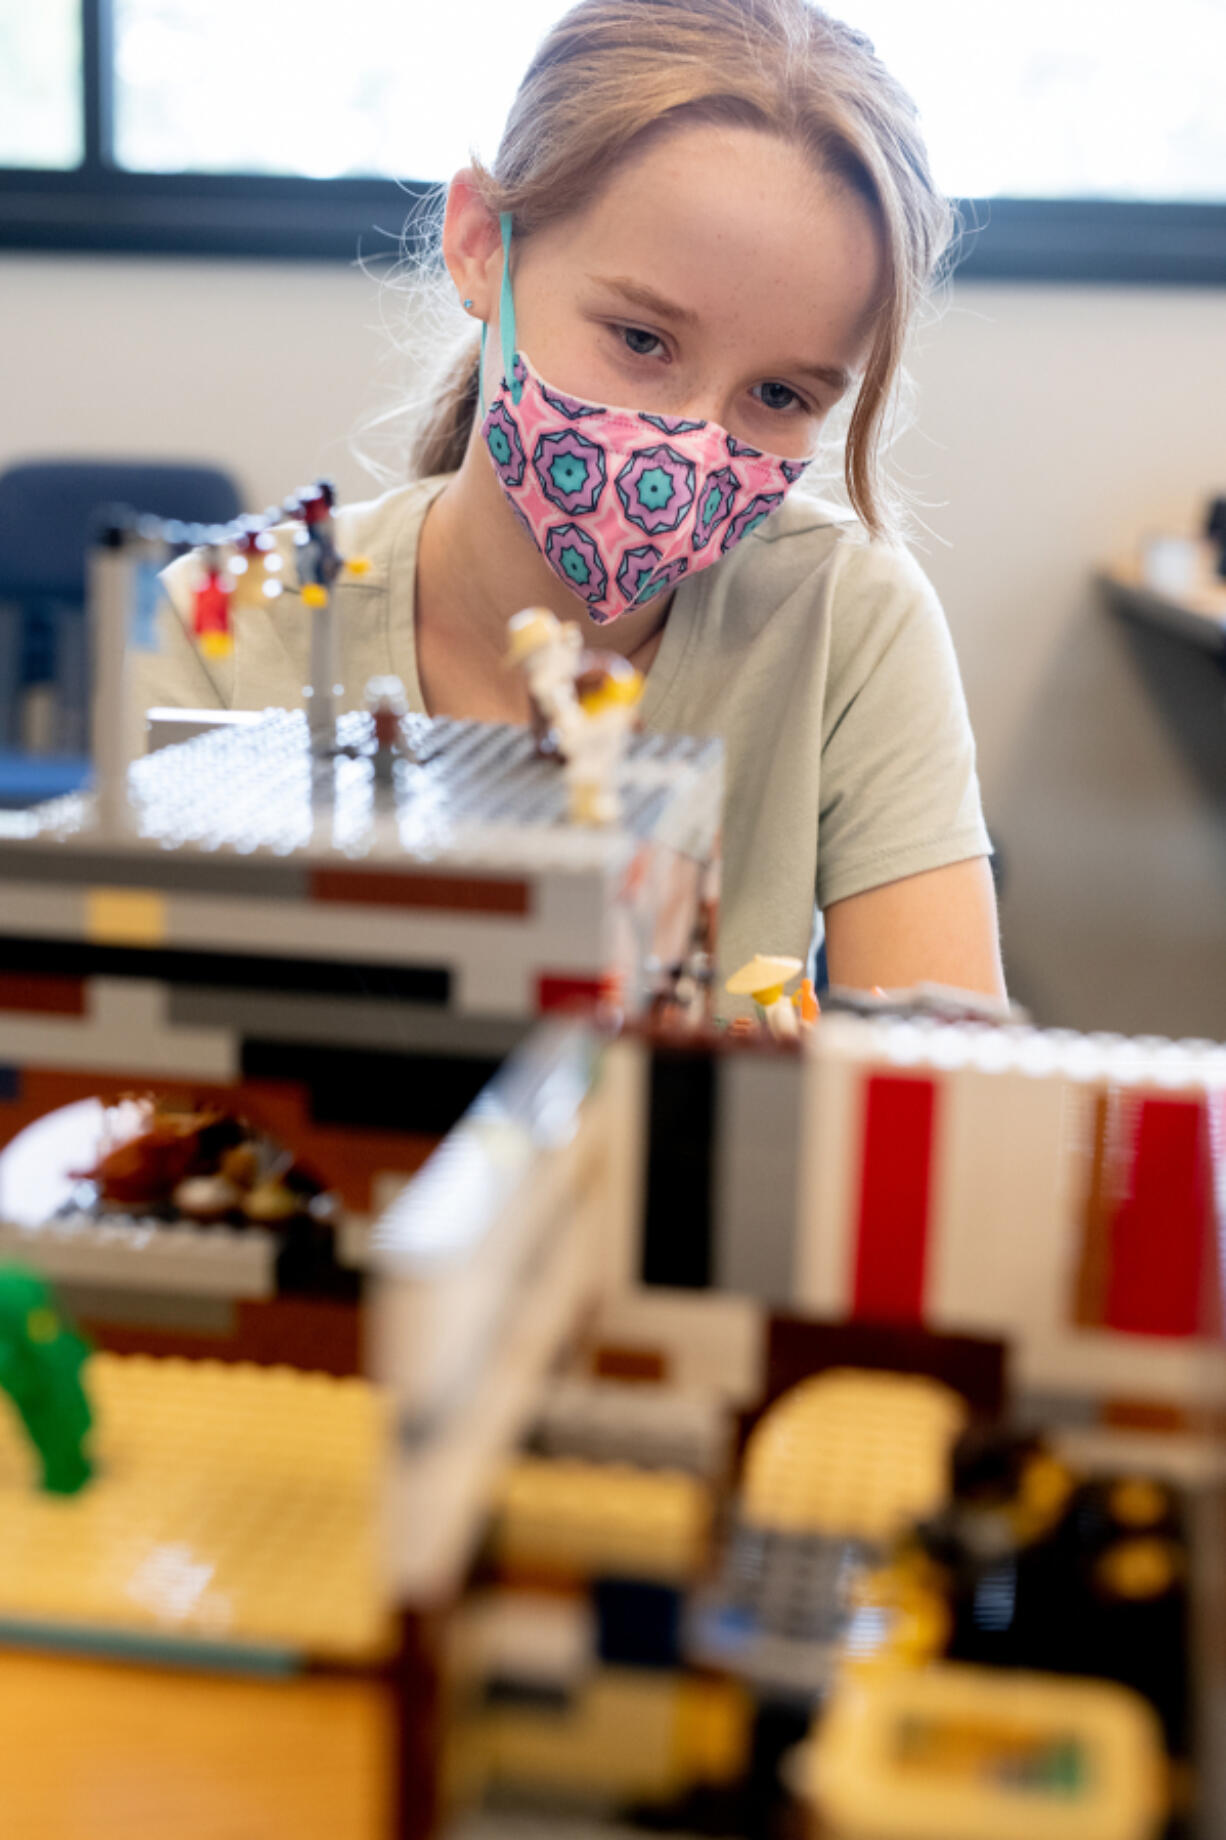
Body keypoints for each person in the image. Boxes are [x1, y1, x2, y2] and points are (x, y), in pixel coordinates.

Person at [136, 0, 1005, 1008]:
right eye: (640, 340)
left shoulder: (844, 624)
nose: (682, 448)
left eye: (778, 396)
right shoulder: (223, 627)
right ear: (478, 246)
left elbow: (932, 1096)